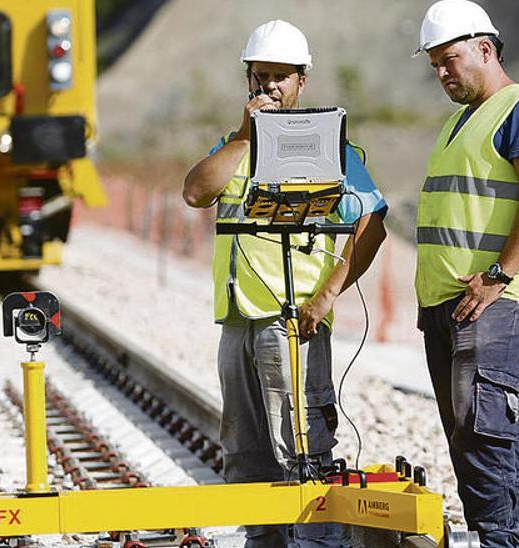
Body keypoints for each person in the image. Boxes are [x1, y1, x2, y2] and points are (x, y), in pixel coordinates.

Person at [182, 19, 388, 548]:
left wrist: (328, 294)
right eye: (260, 77)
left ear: (302, 82)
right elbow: (195, 192)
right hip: (236, 322)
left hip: (291, 321)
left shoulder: (328, 149)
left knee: (299, 447)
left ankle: (318, 542)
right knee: (244, 450)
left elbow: (372, 222)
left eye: (280, 77)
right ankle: (264, 539)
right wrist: (247, 137)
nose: (269, 87)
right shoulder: (233, 145)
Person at [411, 1, 519, 546]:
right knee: (465, 433)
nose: (442, 73)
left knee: (485, 427)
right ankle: (489, 536)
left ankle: (504, 542)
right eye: (434, 65)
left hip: (499, 298)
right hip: (450, 304)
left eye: (448, 59)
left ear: (485, 47)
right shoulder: (460, 121)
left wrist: (499, 274)